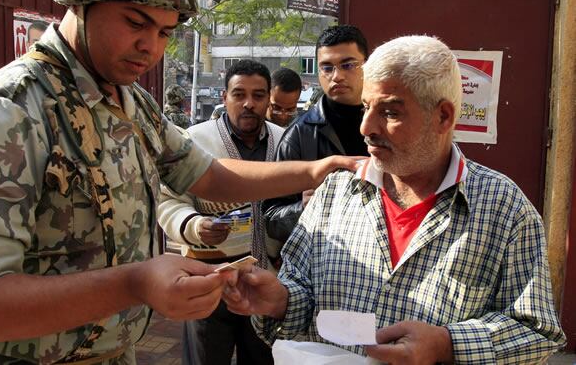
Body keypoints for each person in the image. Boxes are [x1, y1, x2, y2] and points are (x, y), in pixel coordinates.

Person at [0, 0, 360, 364]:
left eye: (165, 32)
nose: (151, 47)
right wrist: (135, 283)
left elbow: (208, 174)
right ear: (81, 4)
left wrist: (316, 170)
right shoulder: (7, 111)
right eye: (135, 23)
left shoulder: (130, 101)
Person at [223, 36, 567, 364]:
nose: (366, 128)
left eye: (389, 112)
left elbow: (536, 332)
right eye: (366, 108)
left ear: (443, 117)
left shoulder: (504, 209)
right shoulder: (335, 193)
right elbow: (302, 293)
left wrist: (447, 344)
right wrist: (281, 300)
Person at [158, 60, 281, 365]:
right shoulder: (195, 141)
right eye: (239, 94)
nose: (249, 104)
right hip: (207, 282)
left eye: (258, 95)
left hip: (265, 284)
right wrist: (194, 225)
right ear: (224, 96)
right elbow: (167, 200)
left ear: (269, 99)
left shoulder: (284, 140)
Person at [263, 25, 369, 253]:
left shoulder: (391, 125)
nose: (337, 76)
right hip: (323, 264)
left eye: (348, 65)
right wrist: (303, 207)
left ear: (367, 65)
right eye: (327, 67)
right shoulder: (299, 136)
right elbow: (271, 220)